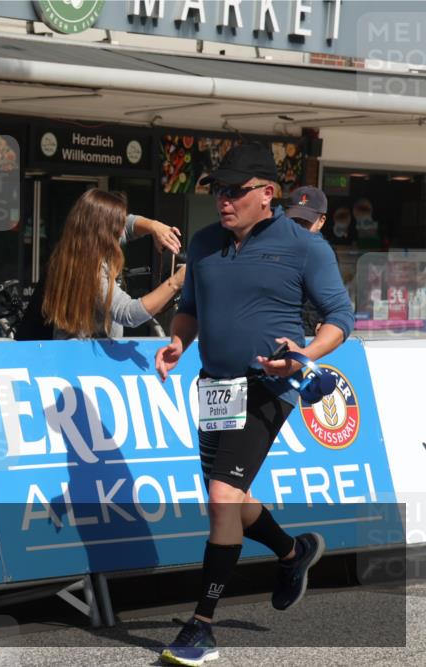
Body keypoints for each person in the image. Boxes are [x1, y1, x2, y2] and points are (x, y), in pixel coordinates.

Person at [154, 144, 354, 667]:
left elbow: (340, 318)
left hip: (269, 385)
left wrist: (304, 355)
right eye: (219, 191)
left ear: (267, 194)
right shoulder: (202, 244)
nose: (223, 200)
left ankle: (201, 626)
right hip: (216, 386)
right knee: (232, 497)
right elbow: (190, 311)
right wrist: (178, 342)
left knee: (222, 495)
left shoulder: (305, 247)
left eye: (235, 191)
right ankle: (293, 552)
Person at [19, 189, 185, 340]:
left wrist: (154, 226)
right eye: (117, 225)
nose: (121, 232)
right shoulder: (91, 269)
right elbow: (128, 314)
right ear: (103, 230)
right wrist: (175, 282)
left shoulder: (77, 250)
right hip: (85, 362)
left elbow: (129, 225)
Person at [284, 186, 329, 336]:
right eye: (294, 220)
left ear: (321, 221)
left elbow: (329, 299)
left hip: (306, 335)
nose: (299, 227)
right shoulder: (276, 246)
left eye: (305, 222)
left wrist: (324, 321)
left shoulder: (322, 254)